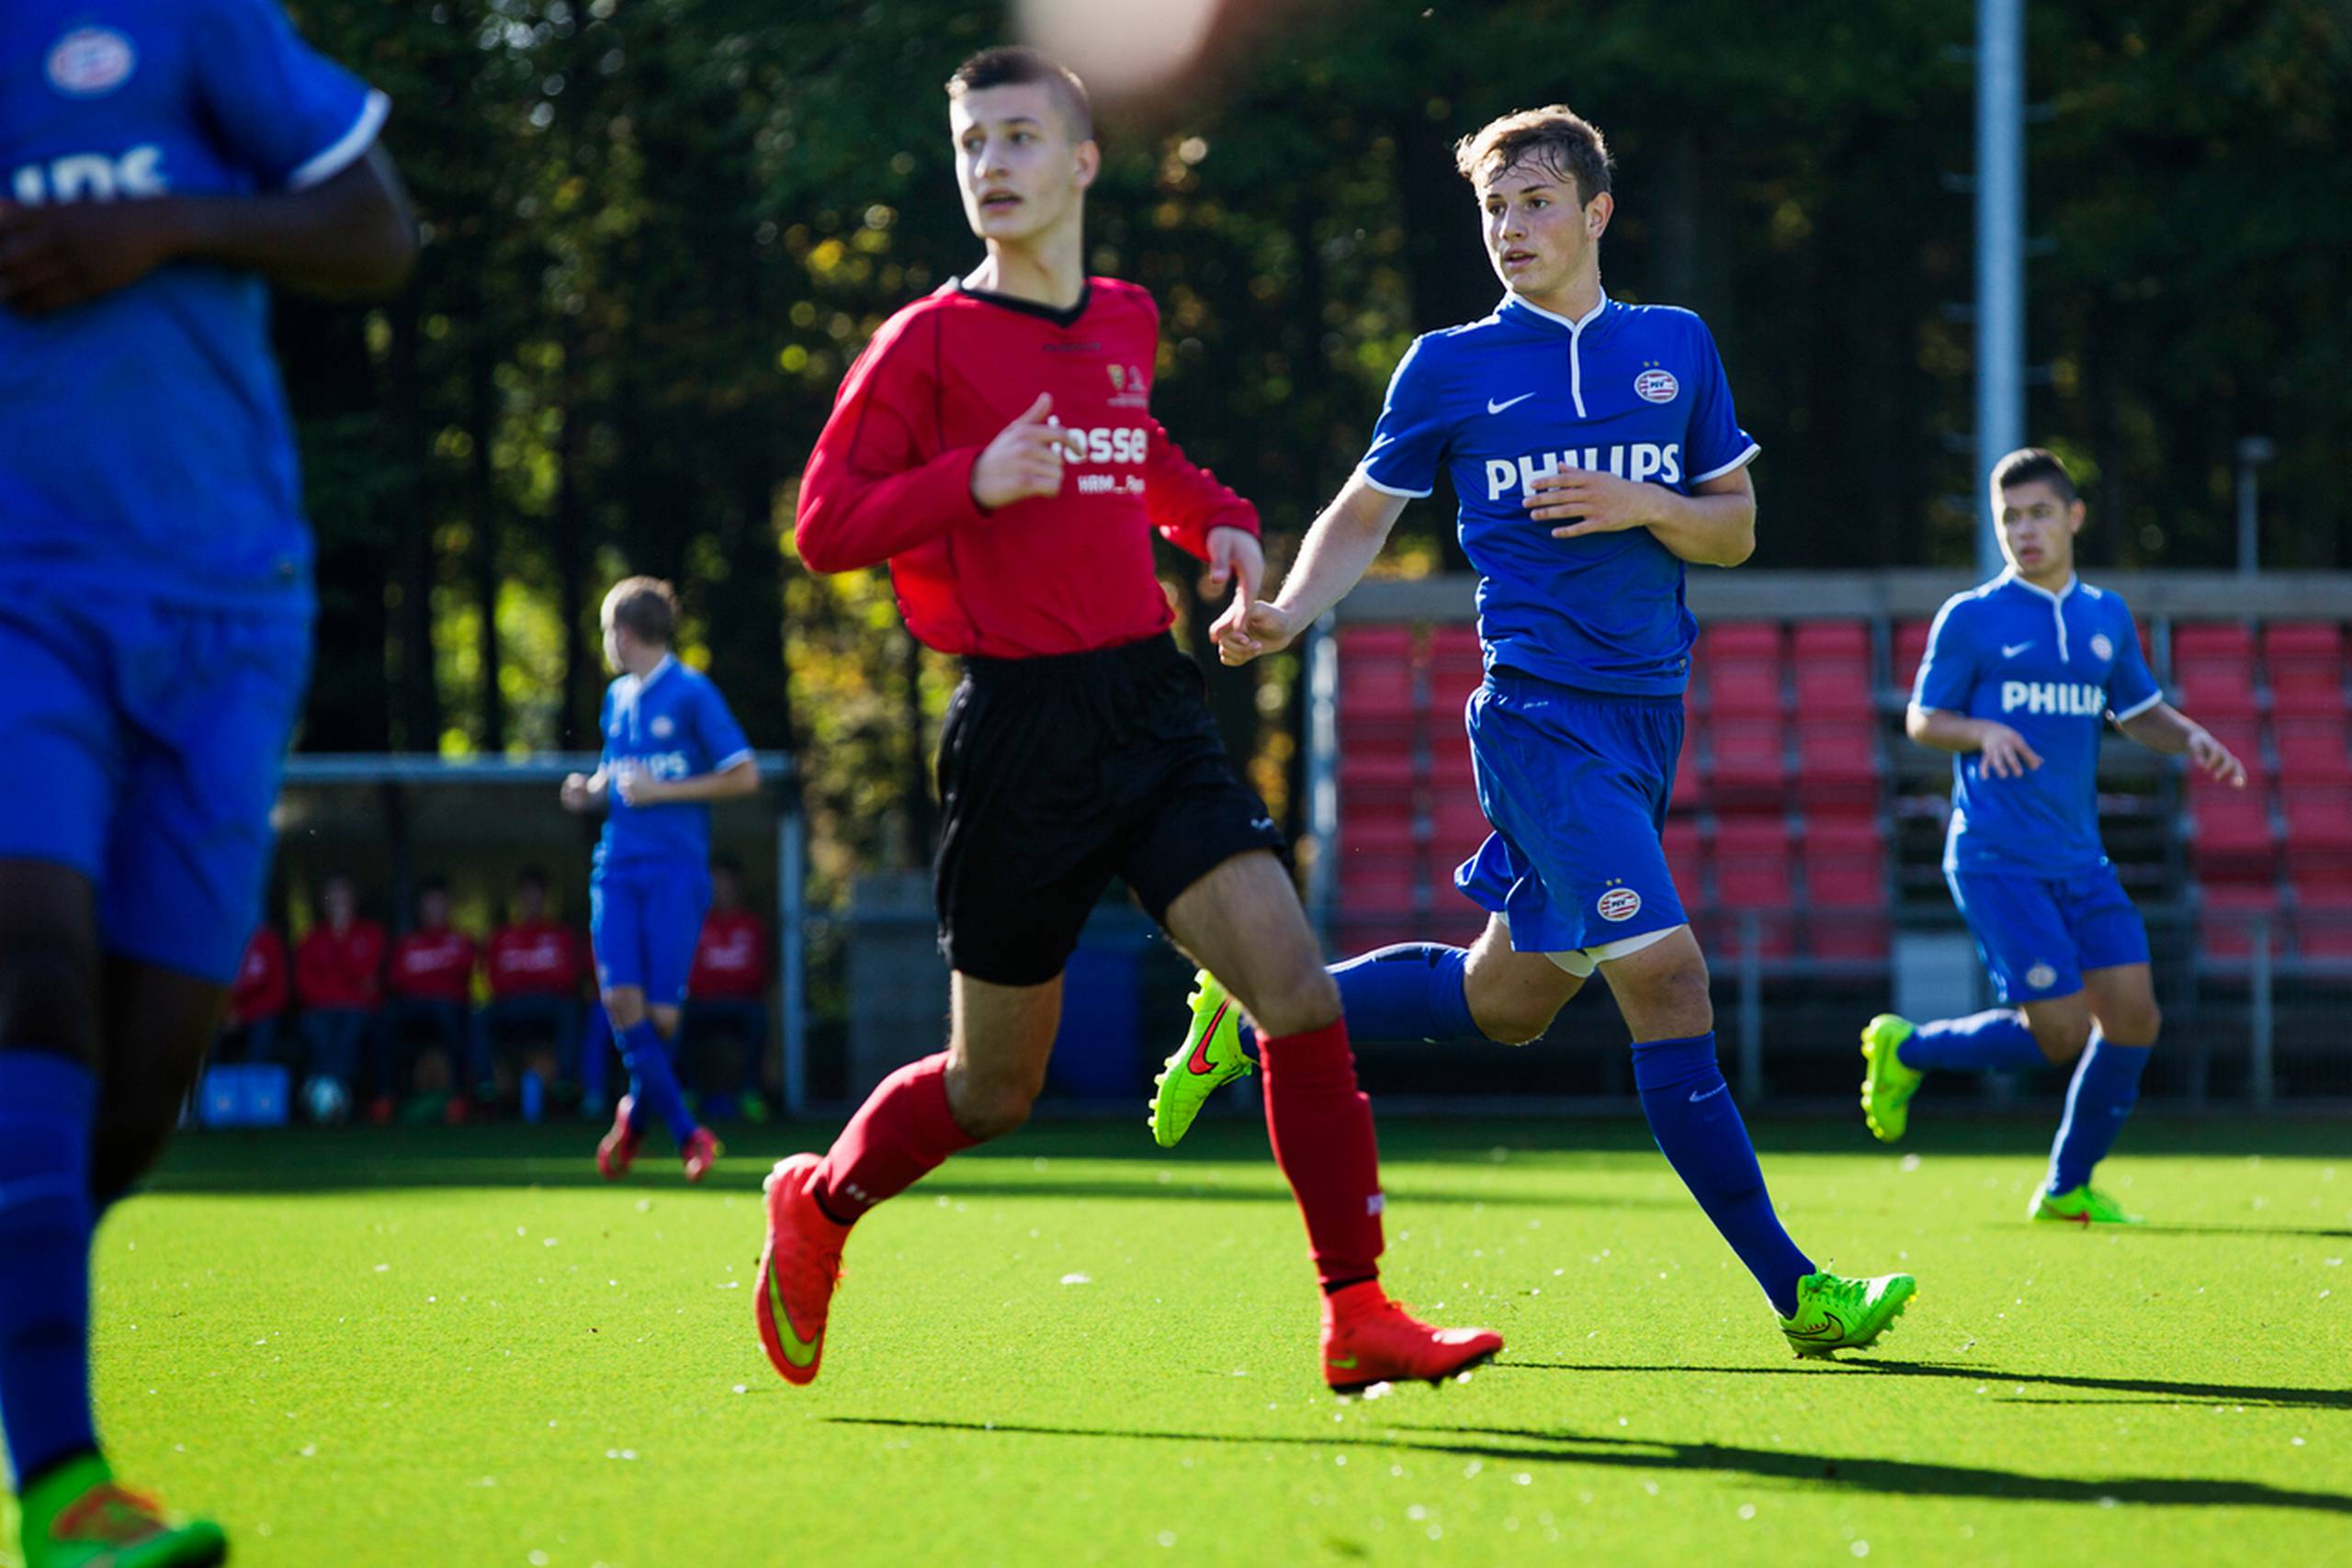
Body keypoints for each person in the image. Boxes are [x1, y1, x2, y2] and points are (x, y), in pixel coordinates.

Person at [769, 45, 1502, 1395]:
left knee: (1289, 986)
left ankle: (1358, 1311)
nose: (994, 165)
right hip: (1019, 736)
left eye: (1020, 139)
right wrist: (968, 479)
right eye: (974, 143)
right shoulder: (924, 342)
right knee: (995, 1088)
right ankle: (820, 1205)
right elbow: (823, 526)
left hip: (1149, 704)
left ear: (1082, 162)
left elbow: (1137, 454)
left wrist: (1214, 517)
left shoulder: (1123, 318)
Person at [1155, 105, 1915, 1357]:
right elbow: (1366, 507)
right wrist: (1289, 606)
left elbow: (1734, 527)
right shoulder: (1450, 364)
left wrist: (1643, 500)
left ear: (1597, 212)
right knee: (1668, 979)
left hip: (1643, 719)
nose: (1512, 228)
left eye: (1538, 202)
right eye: (1495, 209)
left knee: (1503, 997)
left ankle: (1245, 1017)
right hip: (1539, 719)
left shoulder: (1674, 346)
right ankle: (1803, 1290)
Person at [0, 0, 413, 1558]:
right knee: (30, 978)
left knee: (145, 1060)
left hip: (233, 605)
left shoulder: (196, 19)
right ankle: (64, 1487)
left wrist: (158, 224)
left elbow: (374, 230)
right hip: (18, 592)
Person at [1859, 448, 2245, 1223]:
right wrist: (1980, 729)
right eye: (2009, 518)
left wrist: (2191, 735)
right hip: (1997, 856)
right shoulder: (1971, 616)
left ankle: (2067, 1187)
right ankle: (1908, 1048)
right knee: (2061, 1032)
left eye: (2038, 514)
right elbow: (1922, 720)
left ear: (2072, 517)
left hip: (2082, 860)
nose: (2023, 531)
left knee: (2133, 1017)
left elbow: (2137, 712)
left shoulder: (2105, 616)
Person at [561, 578, 757, 1181]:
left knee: (661, 1020)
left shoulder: (693, 692)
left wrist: (662, 792)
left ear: (622, 633)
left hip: (676, 872)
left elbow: (743, 775)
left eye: (605, 631)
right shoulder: (616, 697)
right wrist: (587, 792)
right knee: (622, 1001)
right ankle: (688, 1133)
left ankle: (634, 1119)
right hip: (617, 869)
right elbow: (614, 776)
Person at [482, 867, 588, 1111]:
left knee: (571, 1011)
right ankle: (486, 1084)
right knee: (481, 1015)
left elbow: (569, 978)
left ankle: (565, 1082)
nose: (532, 900)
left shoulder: (561, 935)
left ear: (546, 899)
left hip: (551, 1004)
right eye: (526, 894)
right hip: (511, 1005)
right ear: (518, 899)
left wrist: (523, 976)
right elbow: (495, 981)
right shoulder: (502, 936)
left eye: (537, 894)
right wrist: (538, 976)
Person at [383, 878, 481, 1122]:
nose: (434, 908)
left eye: (439, 902)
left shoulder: (462, 942)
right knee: (385, 1018)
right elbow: (396, 981)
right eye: (429, 903)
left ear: (448, 905)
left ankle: (458, 1097)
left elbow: (469, 979)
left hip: (451, 1008)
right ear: (421, 907)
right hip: (414, 1008)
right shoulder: (408, 944)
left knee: (447, 1013)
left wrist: (434, 984)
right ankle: (386, 1097)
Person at [682, 857, 772, 1120]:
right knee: (674, 1019)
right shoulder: (695, 924)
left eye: (726, 882)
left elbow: (758, 975)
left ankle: (749, 1094)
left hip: (742, 1005)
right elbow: (690, 975)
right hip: (701, 1004)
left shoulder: (752, 925)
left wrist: (726, 983)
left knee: (759, 1017)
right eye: (715, 883)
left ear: (738, 885)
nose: (721, 889)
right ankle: (687, 1093)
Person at [292, 874, 388, 1120]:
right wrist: (343, 992)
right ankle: (335, 1093)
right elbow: (305, 984)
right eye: (333, 896)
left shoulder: (371, 934)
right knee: (317, 1027)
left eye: (344, 895)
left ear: (354, 900)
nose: (339, 901)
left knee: (352, 1026)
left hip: (359, 1010)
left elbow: (370, 981)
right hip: (321, 1009)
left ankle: (329, 1088)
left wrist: (342, 941)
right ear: (324, 903)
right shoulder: (312, 938)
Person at [216, 924, 290, 1068]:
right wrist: (226, 1012)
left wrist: (242, 1013)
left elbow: (277, 995)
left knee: (264, 1028)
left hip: (259, 1013)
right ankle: (209, 1085)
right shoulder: (220, 938)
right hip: (227, 1011)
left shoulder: (267, 941)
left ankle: (255, 1084)